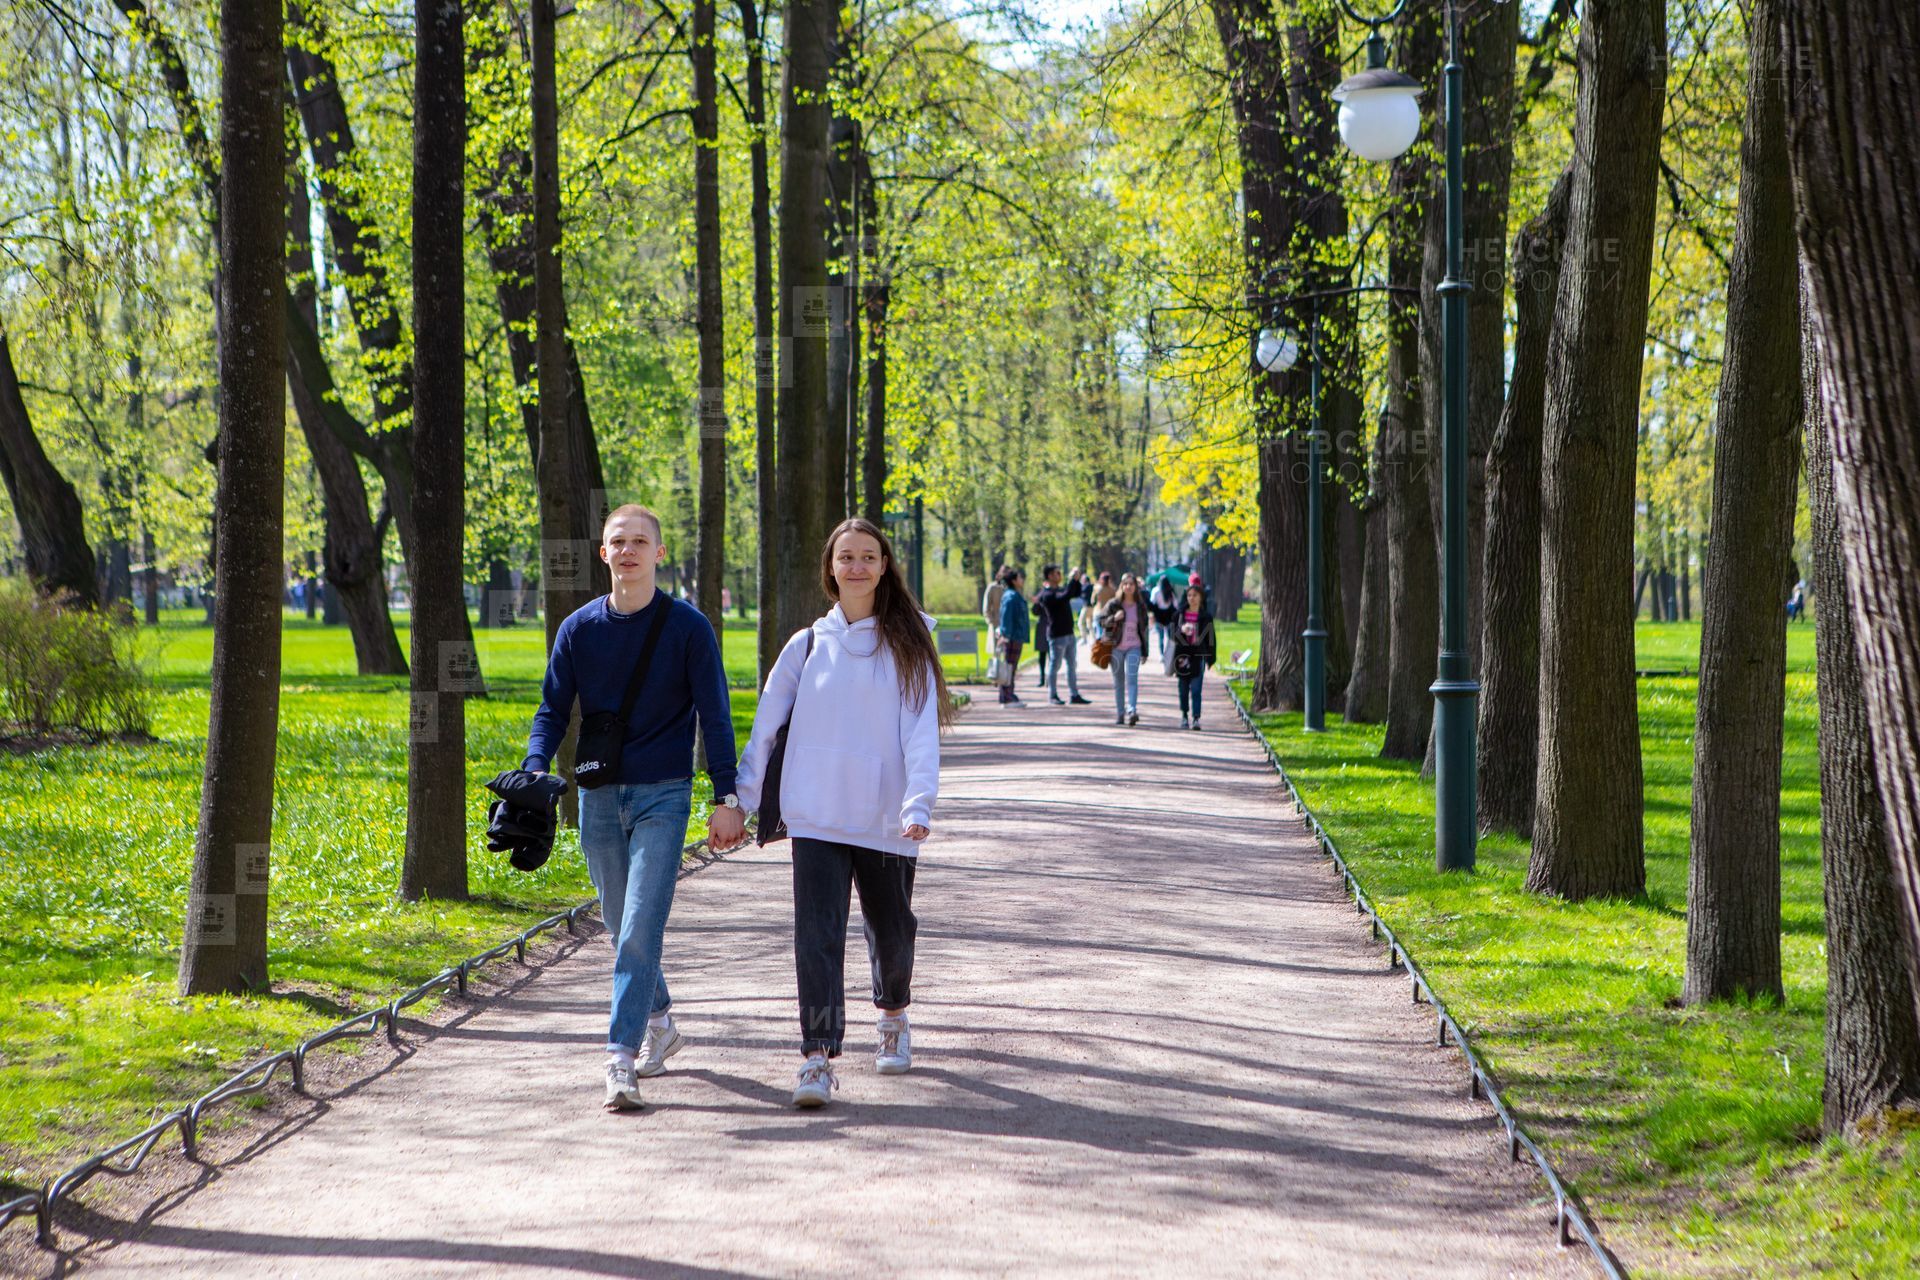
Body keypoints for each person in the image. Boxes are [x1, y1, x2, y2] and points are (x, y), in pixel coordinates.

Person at [523, 504, 743, 1113]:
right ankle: (663, 1018)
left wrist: (726, 798)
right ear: (603, 553)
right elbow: (551, 710)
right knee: (624, 928)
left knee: (641, 922)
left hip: (664, 795)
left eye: (639, 541)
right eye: (618, 542)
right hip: (597, 794)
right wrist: (535, 766)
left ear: (659, 553)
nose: (628, 551)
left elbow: (716, 719)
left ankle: (620, 1056)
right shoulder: (578, 630)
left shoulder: (690, 629)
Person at [731, 517, 949, 1110]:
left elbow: (921, 734)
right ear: (830, 568)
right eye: (845, 557)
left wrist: (918, 803)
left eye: (868, 557)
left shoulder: (910, 646)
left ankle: (894, 1014)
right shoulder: (805, 646)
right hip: (817, 816)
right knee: (816, 940)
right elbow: (766, 729)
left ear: (884, 568)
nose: (856, 567)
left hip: (886, 819)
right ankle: (817, 1055)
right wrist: (740, 800)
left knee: (892, 931)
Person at [1097, 572, 1150, 726]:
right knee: (1119, 682)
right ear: (1121, 586)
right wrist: (1114, 618)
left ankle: (1132, 710)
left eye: (1131, 584)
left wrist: (1145, 652)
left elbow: (1144, 629)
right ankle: (1120, 714)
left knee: (1132, 679)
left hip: (1134, 647)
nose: (1128, 586)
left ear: (1135, 587)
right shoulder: (1114, 604)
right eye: (1125, 584)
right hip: (1116, 648)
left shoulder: (1140, 606)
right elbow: (1100, 620)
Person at [1033, 565, 1090, 705]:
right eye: (1057, 573)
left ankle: (1074, 694)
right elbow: (1064, 597)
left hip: (1069, 633)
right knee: (1055, 665)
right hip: (1057, 635)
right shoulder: (1047, 594)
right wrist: (1072, 579)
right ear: (1050, 576)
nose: (1059, 575)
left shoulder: (1058, 590)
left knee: (1072, 665)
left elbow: (1074, 593)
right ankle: (1052, 695)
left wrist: (1076, 580)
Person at [1171, 583, 1216, 730]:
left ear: (1201, 597)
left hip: (1198, 655)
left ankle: (1196, 718)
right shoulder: (1179, 615)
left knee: (1196, 689)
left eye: (1195, 595)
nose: (1192, 598)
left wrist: (1210, 658)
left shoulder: (1206, 616)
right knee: (1183, 689)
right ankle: (1184, 715)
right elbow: (1172, 635)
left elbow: (1211, 638)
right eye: (1189, 595)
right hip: (1182, 655)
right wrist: (1181, 630)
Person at [996, 569, 1029, 705]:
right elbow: (1006, 617)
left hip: (1015, 636)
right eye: (1020, 577)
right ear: (1014, 581)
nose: (1022, 580)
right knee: (1009, 667)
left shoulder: (1014, 595)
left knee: (1011, 667)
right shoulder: (1011, 596)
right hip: (1012, 637)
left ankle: (1008, 695)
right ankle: (1007, 697)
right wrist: (1005, 635)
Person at [1148, 576, 1179, 659]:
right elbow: (1176, 605)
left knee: (1161, 637)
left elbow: (1152, 602)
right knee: (1169, 637)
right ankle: (1169, 653)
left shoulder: (1156, 591)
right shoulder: (1171, 591)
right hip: (1169, 616)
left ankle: (1162, 655)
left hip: (1159, 616)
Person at [982, 565, 1010, 648]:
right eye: (1004, 572)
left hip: (1010, 625)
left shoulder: (1012, 589)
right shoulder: (993, 587)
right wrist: (991, 621)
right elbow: (986, 608)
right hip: (996, 623)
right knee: (997, 650)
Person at [1067, 568, 1089, 639]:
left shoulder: (1079, 584)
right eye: (1075, 574)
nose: (1076, 575)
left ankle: (1084, 635)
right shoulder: (1070, 583)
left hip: (1080, 603)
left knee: (1081, 620)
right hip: (1072, 603)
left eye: (1077, 573)